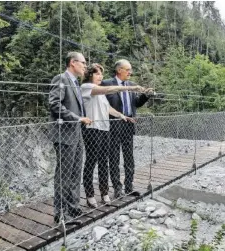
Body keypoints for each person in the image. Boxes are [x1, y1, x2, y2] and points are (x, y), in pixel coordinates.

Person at [80, 63, 145, 208]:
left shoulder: (100, 93)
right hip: (92, 129)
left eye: (101, 74)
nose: (100, 77)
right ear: (90, 75)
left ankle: (104, 193)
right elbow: (109, 88)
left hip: (104, 129)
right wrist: (129, 87)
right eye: (97, 74)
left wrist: (123, 116)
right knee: (91, 162)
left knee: (104, 162)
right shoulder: (87, 88)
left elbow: (108, 108)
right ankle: (90, 195)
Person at [49, 51, 92, 224]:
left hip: (76, 133)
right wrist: (77, 118)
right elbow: (54, 104)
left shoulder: (75, 82)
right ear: (73, 63)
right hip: (65, 134)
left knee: (75, 173)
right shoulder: (61, 79)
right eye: (83, 63)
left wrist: (80, 120)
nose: (85, 66)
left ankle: (73, 208)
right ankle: (60, 213)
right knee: (63, 175)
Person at [101, 59, 154, 198]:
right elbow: (103, 105)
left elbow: (136, 103)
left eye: (130, 69)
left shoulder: (131, 85)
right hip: (113, 125)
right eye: (128, 69)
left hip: (129, 124)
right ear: (119, 70)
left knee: (129, 157)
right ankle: (117, 189)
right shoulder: (107, 84)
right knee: (113, 158)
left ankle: (129, 187)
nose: (130, 72)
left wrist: (145, 95)